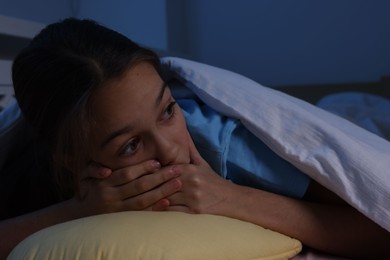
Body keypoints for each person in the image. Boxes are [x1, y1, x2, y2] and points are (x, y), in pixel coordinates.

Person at [0, 18, 389, 259]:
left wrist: (233, 198)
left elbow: (378, 227)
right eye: (130, 146)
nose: (171, 151)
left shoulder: (224, 146)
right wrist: (78, 210)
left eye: (167, 111)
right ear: (72, 160)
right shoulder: (32, 161)